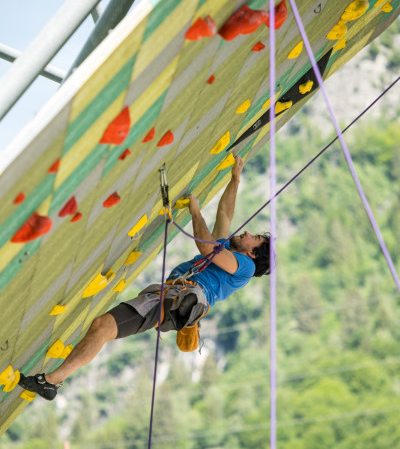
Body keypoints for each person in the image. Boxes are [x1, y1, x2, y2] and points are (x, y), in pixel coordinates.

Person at [19, 156, 270, 401]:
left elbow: (206, 248)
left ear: (252, 253)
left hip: (183, 295)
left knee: (106, 326)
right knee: (101, 327)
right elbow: (224, 215)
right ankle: (52, 382)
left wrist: (196, 212)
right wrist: (235, 180)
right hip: (168, 295)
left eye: (254, 237)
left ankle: (188, 311)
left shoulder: (245, 266)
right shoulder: (227, 250)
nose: (247, 232)